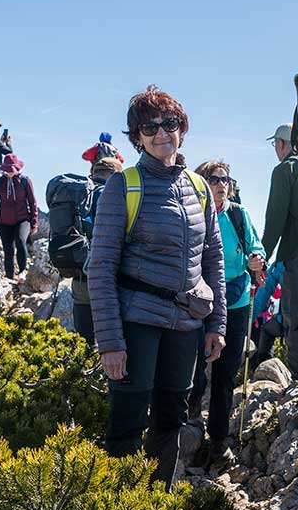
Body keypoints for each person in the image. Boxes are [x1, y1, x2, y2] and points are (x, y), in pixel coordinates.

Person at [86, 85, 226, 488]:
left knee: (170, 419)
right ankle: (119, 509)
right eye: (150, 127)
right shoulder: (123, 186)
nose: (162, 133)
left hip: (185, 325)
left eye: (170, 123)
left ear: (182, 128)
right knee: (127, 424)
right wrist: (110, 343)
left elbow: (212, 259)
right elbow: (101, 268)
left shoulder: (198, 188)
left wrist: (216, 325)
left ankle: (156, 504)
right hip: (136, 323)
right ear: (138, 137)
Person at [186, 159, 265, 469]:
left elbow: (255, 248)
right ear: (201, 183)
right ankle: (190, 421)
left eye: (225, 179)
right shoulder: (194, 213)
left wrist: (256, 259)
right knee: (194, 368)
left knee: (225, 375)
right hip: (199, 301)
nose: (221, 184)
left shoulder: (238, 214)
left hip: (235, 302)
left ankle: (218, 441)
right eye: (214, 178)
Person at [262, 123, 298, 382]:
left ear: (282, 144)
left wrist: (262, 256)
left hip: (297, 253)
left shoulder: (285, 169)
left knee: (296, 317)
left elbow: (275, 219)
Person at [71, 155, 123, 347]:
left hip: (79, 274)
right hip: (106, 278)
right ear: (114, 175)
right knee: (111, 342)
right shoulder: (110, 195)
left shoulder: (80, 194)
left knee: (84, 339)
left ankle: (83, 361)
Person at [0, 154, 39, 282]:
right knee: (8, 249)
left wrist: (34, 223)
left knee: (20, 241)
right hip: (4, 221)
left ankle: (22, 272)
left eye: (11, 169)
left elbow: (32, 203)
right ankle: (9, 277)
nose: (9, 172)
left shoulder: (25, 181)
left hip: (23, 219)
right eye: (7, 170)